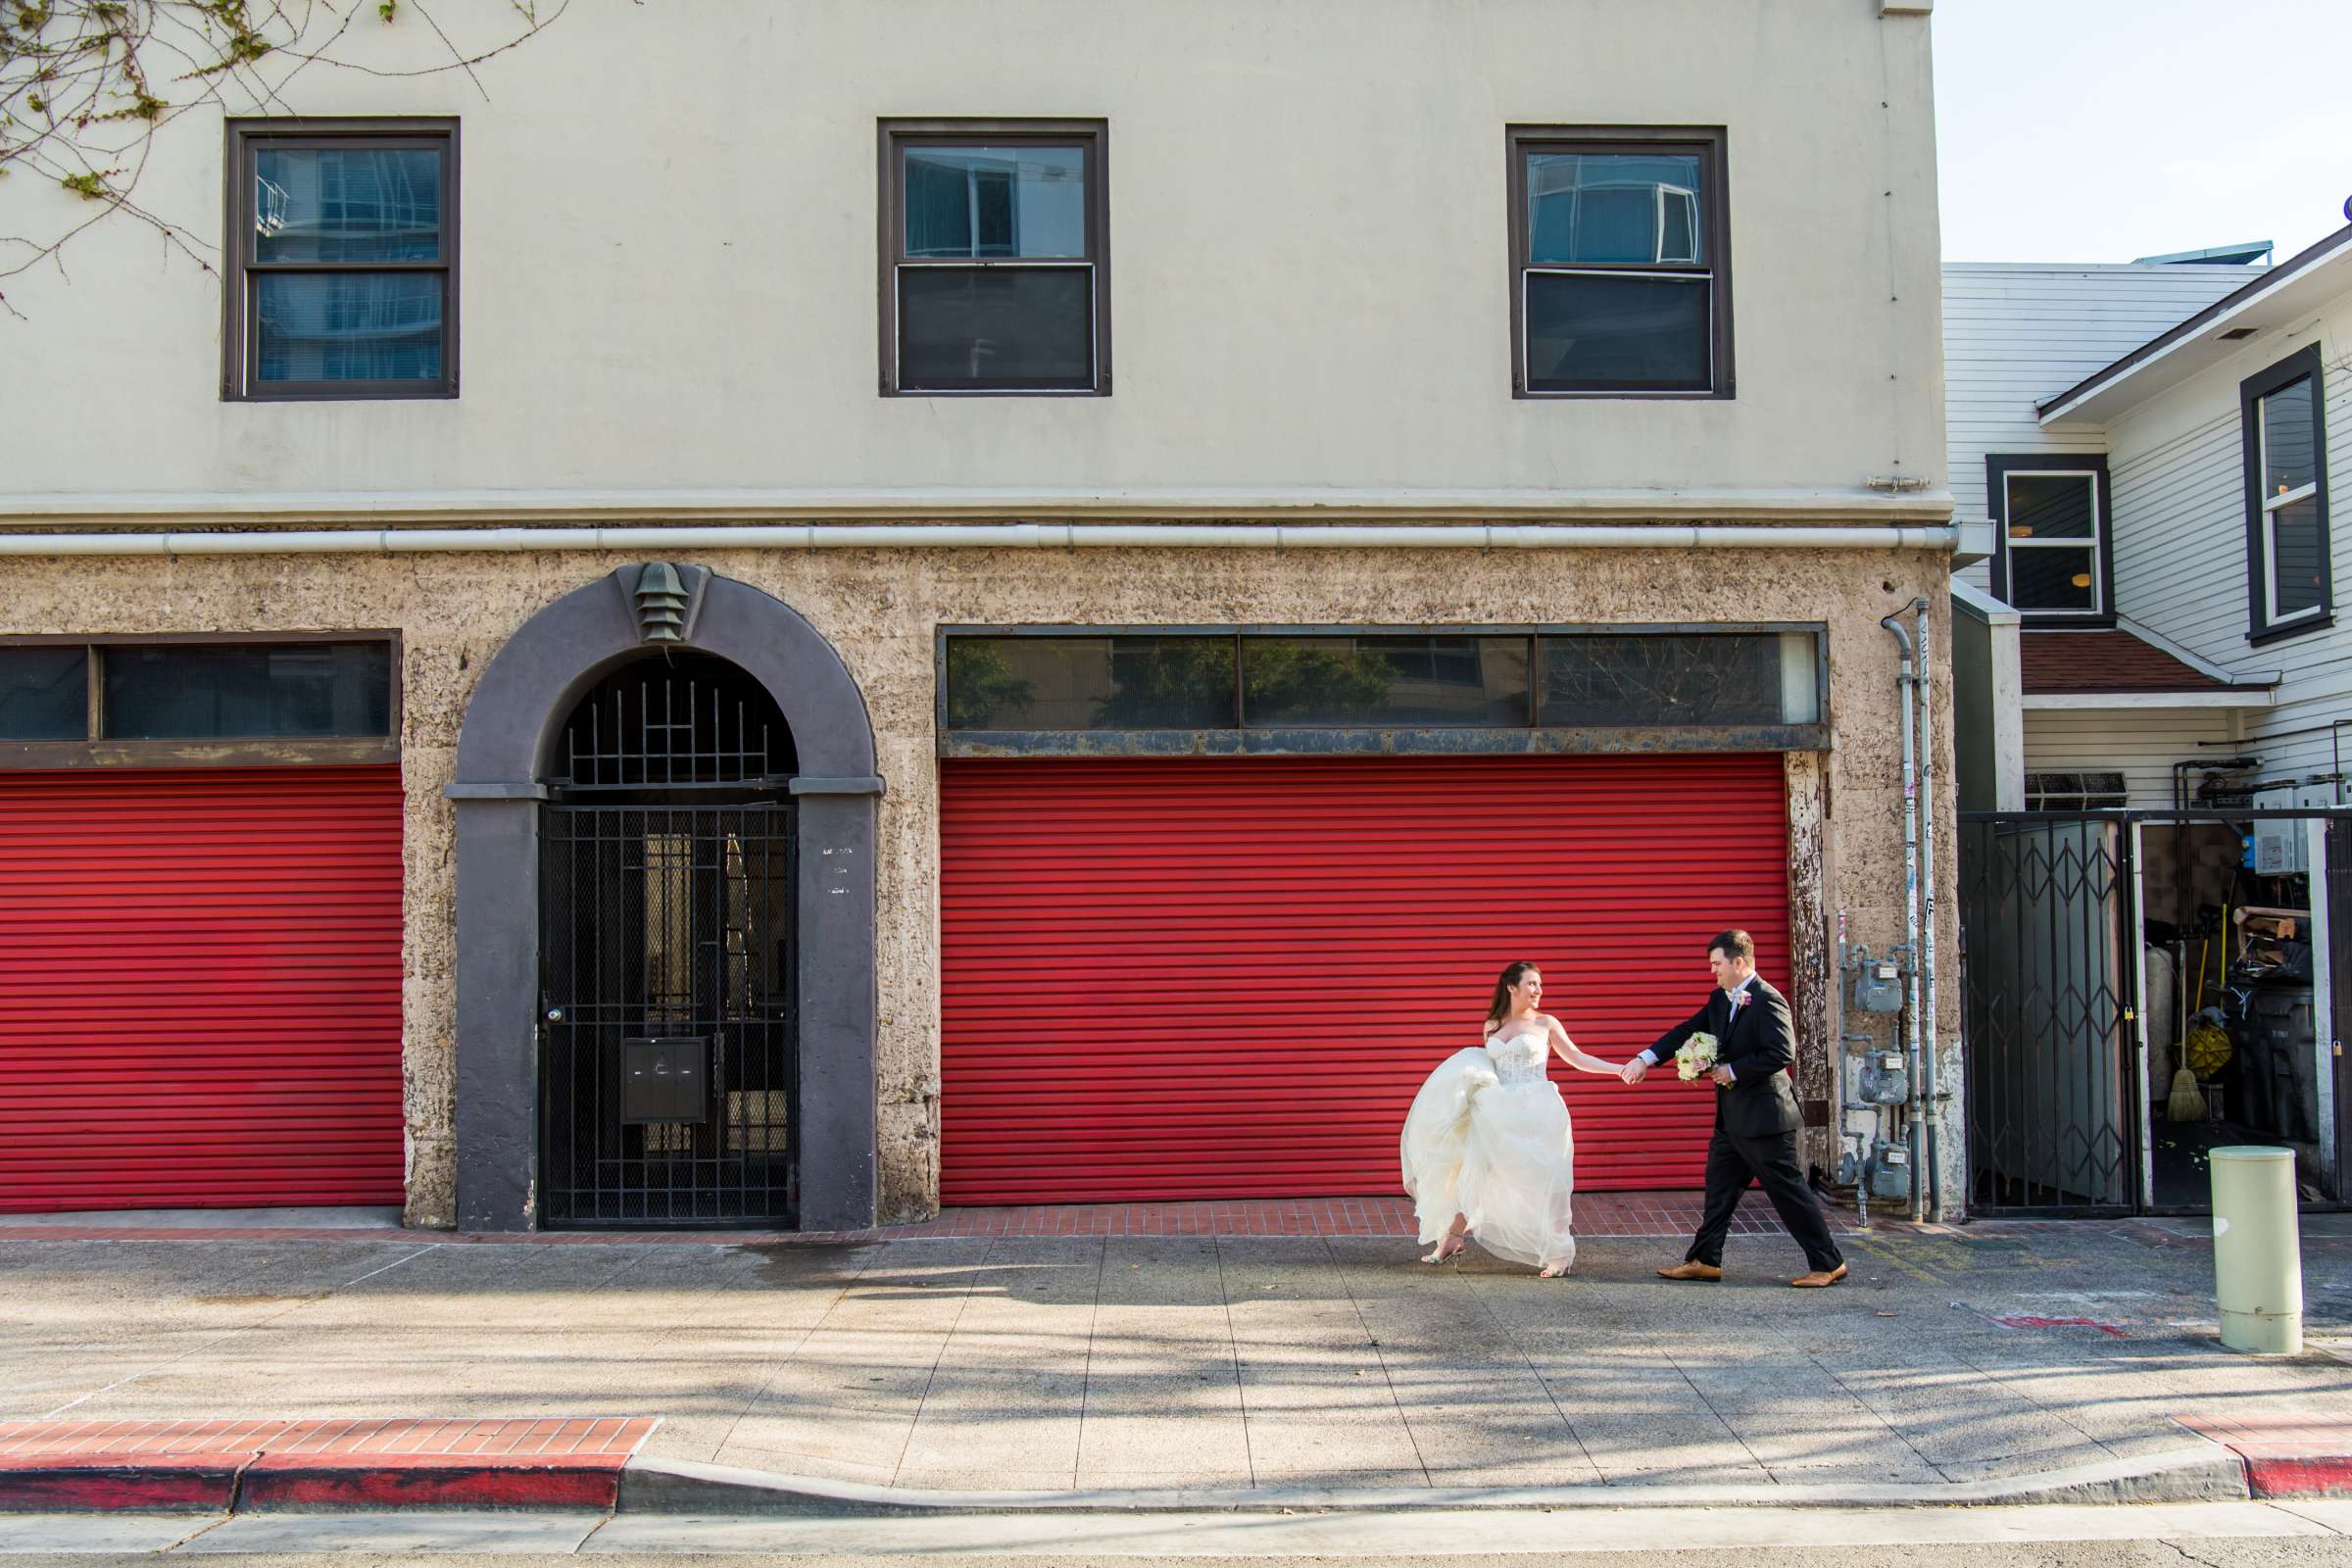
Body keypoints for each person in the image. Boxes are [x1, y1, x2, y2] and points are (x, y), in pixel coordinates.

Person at [1621, 929, 1847, 1288]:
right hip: (1732, 1121)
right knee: (1719, 1190)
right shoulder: (1720, 1000)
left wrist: (1733, 1070)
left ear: (1738, 961)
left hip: (1765, 1120)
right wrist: (1645, 1059)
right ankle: (1704, 1260)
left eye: (1717, 964)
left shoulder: (1768, 1000)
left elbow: (1781, 1053)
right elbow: (1686, 1030)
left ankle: (1828, 1263)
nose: (1713, 971)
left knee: (1788, 1191)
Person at [1400, 960, 1626, 1278]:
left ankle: (1559, 1253)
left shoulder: (1547, 1023)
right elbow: (1487, 1068)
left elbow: (1577, 1058)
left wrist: (1618, 1069)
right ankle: (1452, 1237)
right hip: (1497, 1111)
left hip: (1538, 1110)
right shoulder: (1492, 1025)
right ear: (1512, 987)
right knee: (1476, 1172)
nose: (1538, 990)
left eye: (1540, 984)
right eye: (1531, 984)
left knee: (1549, 1180)